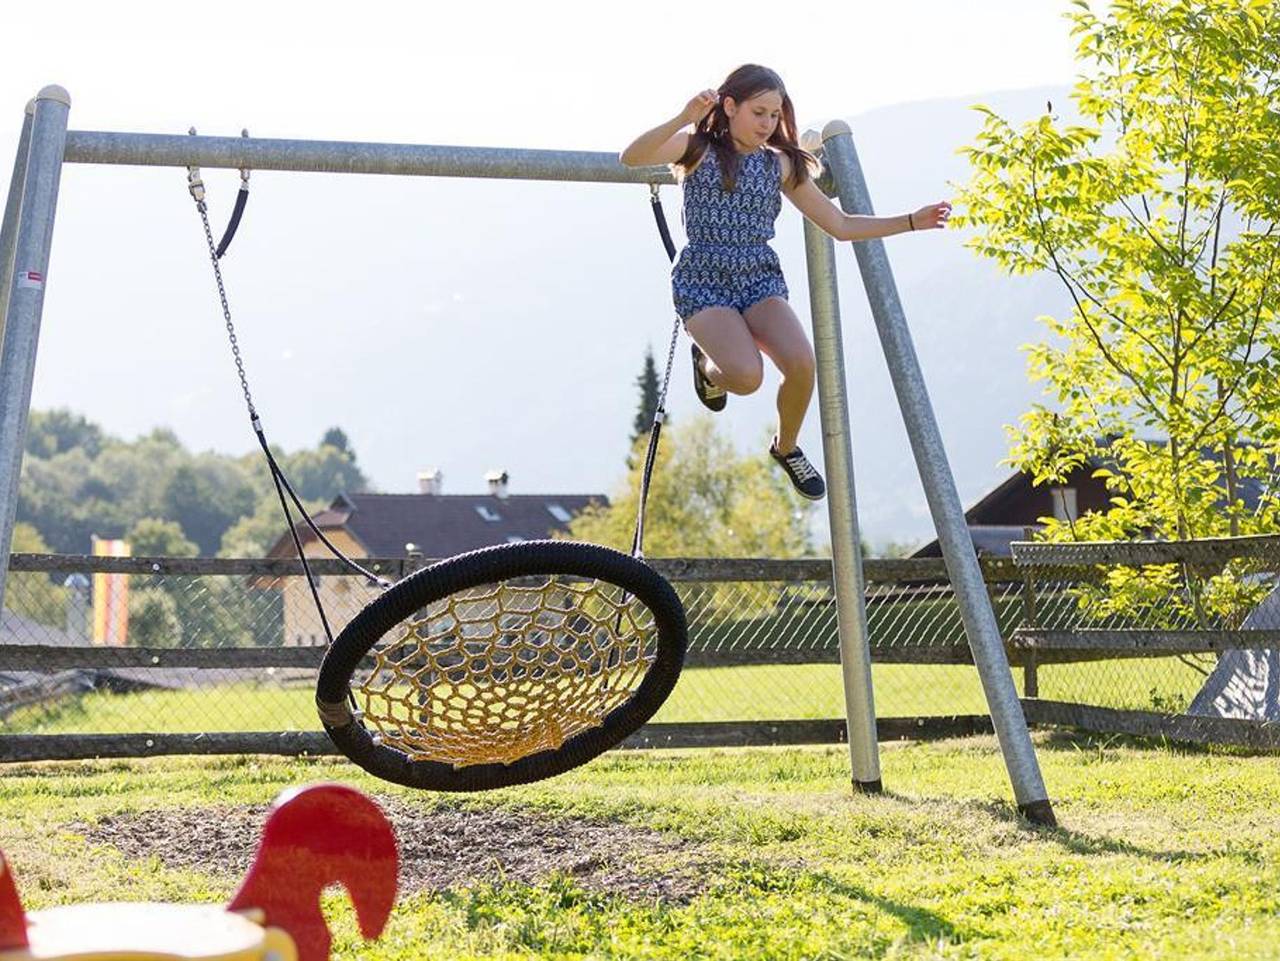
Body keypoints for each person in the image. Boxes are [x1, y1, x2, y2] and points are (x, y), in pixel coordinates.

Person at [620, 64, 951, 500]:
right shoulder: (697, 149)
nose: (767, 124)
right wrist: (684, 116)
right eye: (758, 112)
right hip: (705, 280)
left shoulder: (779, 165)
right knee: (746, 377)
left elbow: (840, 223)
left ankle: (786, 446)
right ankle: (707, 366)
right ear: (730, 106)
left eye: (775, 115)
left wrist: (911, 221)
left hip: (758, 277)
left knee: (801, 362)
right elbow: (632, 156)